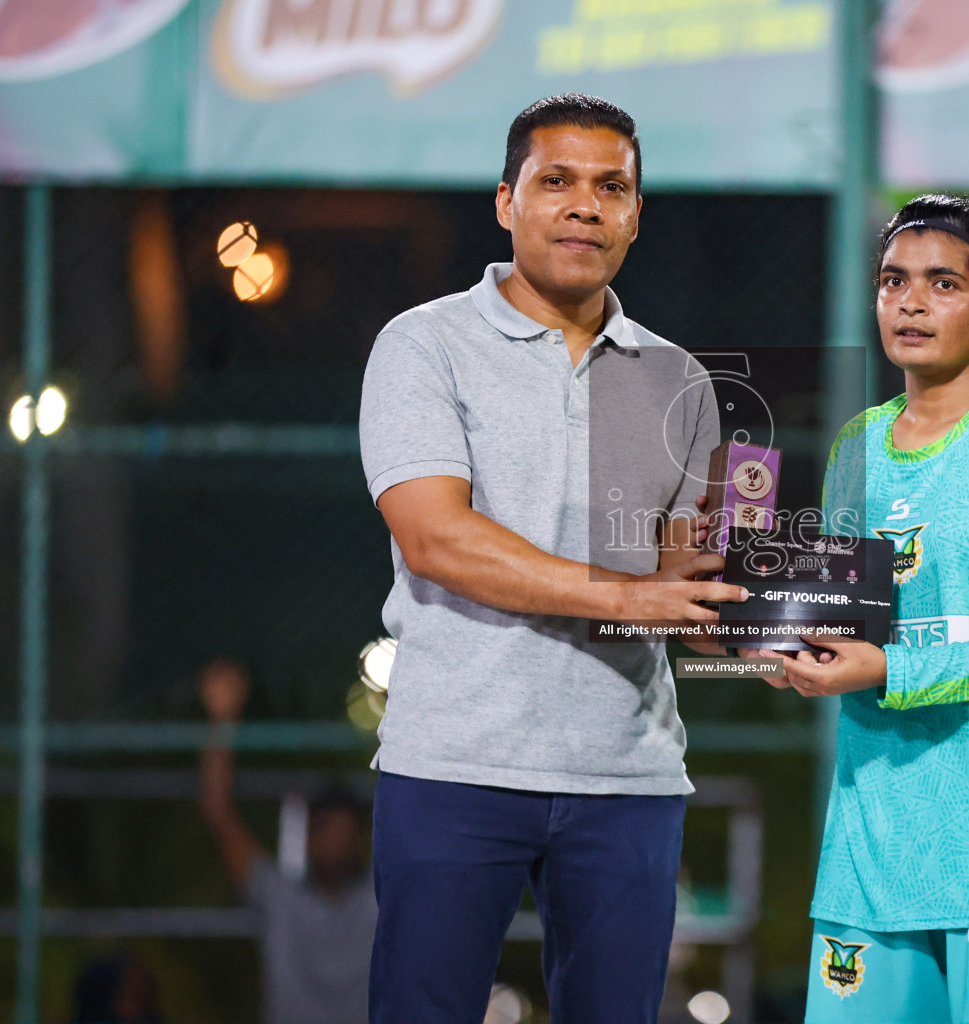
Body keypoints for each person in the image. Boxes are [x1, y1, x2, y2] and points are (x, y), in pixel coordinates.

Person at [357, 93, 746, 1023]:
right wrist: (639, 596)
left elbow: (682, 589)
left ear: (636, 214)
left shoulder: (679, 377)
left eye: (612, 187)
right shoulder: (424, 345)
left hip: (629, 776)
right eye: (556, 181)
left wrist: (776, 619)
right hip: (455, 764)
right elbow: (436, 538)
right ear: (506, 201)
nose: (585, 206)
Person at [743, 194, 969, 1024]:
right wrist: (782, 650)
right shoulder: (855, 447)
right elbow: (843, 628)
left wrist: (894, 668)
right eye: (891, 281)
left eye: (942, 283)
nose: (908, 302)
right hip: (872, 860)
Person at [198, 658, 376, 1024]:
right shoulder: (280, 894)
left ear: (362, 840)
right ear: (309, 837)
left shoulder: (382, 901)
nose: (339, 843)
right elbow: (217, 809)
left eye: (347, 834)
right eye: (330, 832)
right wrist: (222, 719)